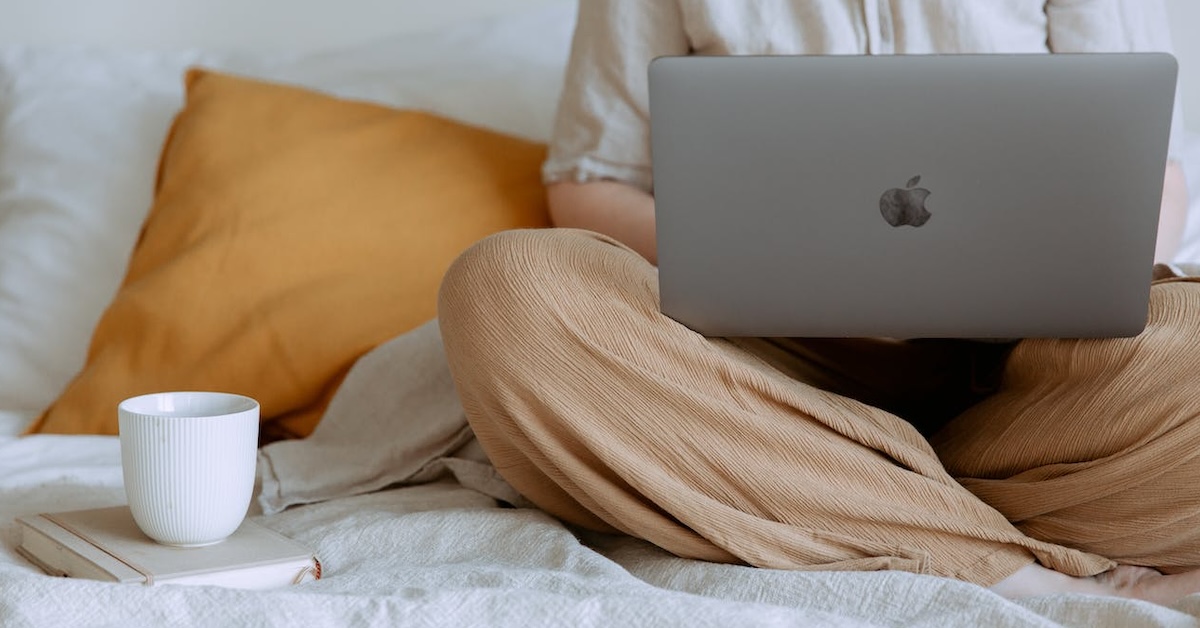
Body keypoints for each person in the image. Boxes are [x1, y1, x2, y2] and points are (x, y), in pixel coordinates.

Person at [438, 0, 1200, 605]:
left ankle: (808, 491)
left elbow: (1151, 168)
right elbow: (589, 181)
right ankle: (993, 557)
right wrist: (750, 251)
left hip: (1031, 384)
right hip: (758, 367)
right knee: (507, 289)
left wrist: (1076, 272)